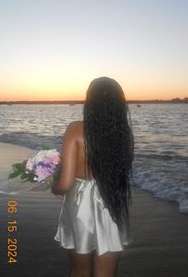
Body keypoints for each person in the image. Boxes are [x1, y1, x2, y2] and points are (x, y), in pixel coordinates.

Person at [51, 76, 134, 277]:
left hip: (80, 206)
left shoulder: (75, 129)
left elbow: (65, 183)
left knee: (80, 271)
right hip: (111, 201)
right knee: (107, 273)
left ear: (89, 100)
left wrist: (54, 185)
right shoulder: (125, 133)